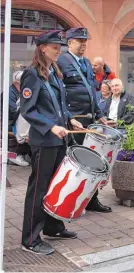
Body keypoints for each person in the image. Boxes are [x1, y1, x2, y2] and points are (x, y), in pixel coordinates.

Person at [20, 30, 83, 255]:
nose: (59, 50)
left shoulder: (54, 72)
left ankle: (52, 226)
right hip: (44, 141)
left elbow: (58, 104)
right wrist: (51, 126)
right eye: (55, 46)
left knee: (54, 187)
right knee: (38, 189)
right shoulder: (32, 74)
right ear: (42, 48)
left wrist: (69, 119)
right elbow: (28, 110)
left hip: (58, 140)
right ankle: (30, 238)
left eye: (60, 46)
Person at [57, 27, 111, 213]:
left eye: (85, 41)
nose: (83, 44)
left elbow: (92, 92)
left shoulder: (87, 63)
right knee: (78, 162)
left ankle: (91, 199)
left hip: (89, 120)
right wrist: (68, 117)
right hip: (74, 120)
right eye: (79, 41)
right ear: (70, 42)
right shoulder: (62, 61)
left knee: (92, 160)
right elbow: (60, 93)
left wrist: (100, 114)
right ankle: (74, 198)